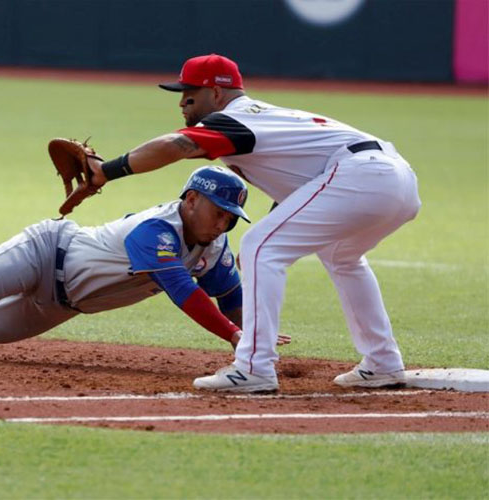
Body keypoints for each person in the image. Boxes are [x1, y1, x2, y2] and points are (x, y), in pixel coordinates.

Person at [85, 54, 421, 392]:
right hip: (394, 178)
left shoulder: (234, 120)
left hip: (362, 175)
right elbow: (303, 189)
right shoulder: (263, 120)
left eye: (190, 92)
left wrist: (106, 171)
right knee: (341, 257)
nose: (182, 101)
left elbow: (176, 145)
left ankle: (253, 367)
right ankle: (382, 362)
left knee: (260, 245)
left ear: (217, 94)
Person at [0, 166, 290, 354]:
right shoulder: (157, 230)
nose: (224, 223)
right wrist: (236, 336)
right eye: (219, 211)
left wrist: (255, 328)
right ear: (190, 199)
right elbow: (184, 292)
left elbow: (231, 296)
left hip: (62, 305)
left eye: (232, 217)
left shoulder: (214, 248)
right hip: (46, 254)